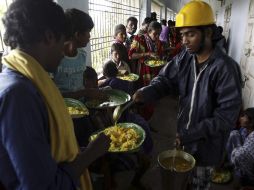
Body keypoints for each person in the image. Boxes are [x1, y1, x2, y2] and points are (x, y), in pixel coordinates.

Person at [0, 1, 110, 189]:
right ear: (50, 37)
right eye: (63, 41)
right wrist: (90, 154)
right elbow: (46, 186)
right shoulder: (19, 96)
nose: (64, 51)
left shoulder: (20, 79)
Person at [133, 1, 242, 189]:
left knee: (200, 182)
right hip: (184, 138)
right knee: (184, 180)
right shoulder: (185, 58)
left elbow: (226, 117)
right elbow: (166, 79)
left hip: (208, 147)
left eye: (190, 34)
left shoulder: (225, 68)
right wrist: (146, 92)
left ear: (208, 32)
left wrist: (190, 134)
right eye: (183, 35)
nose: (184, 41)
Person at [54, 8, 103, 100]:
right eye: (88, 32)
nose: (89, 36)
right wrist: (85, 92)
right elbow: (52, 96)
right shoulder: (55, 59)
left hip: (82, 108)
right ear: (78, 34)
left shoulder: (82, 55)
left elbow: (80, 83)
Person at [129, 21, 164, 87]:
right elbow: (131, 55)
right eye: (155, 34)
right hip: (143, 71)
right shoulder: (139, 39)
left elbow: (160, 55)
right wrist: (147, 54)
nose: (157, 36)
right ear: (149, 31)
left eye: (159, 34)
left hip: (156, 72)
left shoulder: (158, 42)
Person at [226, 108, 254, 187]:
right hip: (245, 158)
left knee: (239, 154)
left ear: (251, 123)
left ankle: (245, 177)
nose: (240, 118)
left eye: (244, 116)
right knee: (234, 133)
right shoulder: (245, 129)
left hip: (251, 172)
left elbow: (242, 154)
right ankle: (233, 164)